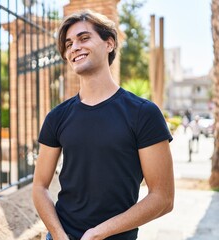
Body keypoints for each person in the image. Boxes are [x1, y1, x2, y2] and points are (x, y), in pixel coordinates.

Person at [32, 10, 174, 240]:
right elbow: (39, 186)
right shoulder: (56, 117)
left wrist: (97, 234)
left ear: (109, 43)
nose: (74, 47)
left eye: (84, 38)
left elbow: (163, 198)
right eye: (68, 44)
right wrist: (59, 235)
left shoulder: (144, 114)